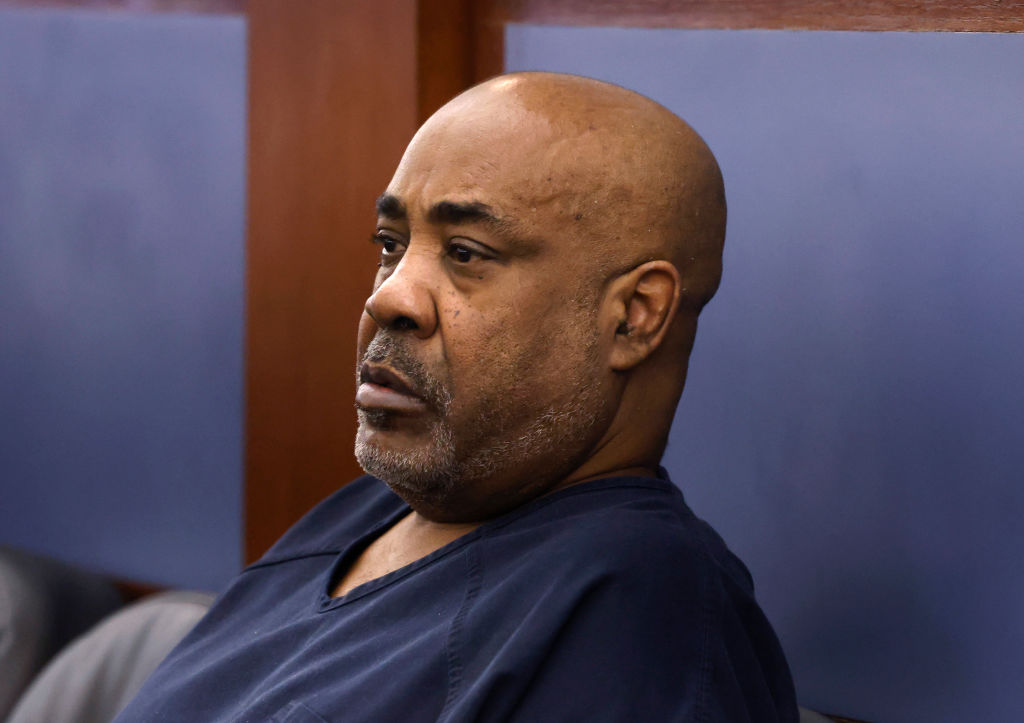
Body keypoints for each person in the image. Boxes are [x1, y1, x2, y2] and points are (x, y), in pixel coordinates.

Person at [116, 72, 798, 722]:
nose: (389, 298)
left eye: (466, 253)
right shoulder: (373, 509)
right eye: (391, 245)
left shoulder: (639, 617)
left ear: (634, 316)